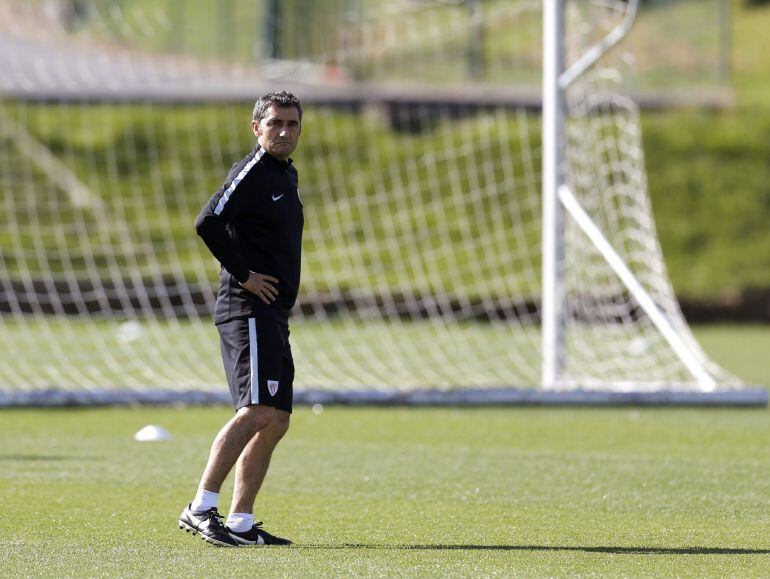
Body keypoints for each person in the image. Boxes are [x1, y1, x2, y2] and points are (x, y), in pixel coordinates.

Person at [179, 91, 304, 547]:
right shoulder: (251, 171)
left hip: (274, 314)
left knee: (276, 420)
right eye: (276, 124)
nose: (285, 132)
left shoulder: (285, 174)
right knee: (254, 411)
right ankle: (200, 507)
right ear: (257, 128)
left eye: (292, 124)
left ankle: (241, 522)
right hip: (247, 309)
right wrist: (245, 275)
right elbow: (206, 221)